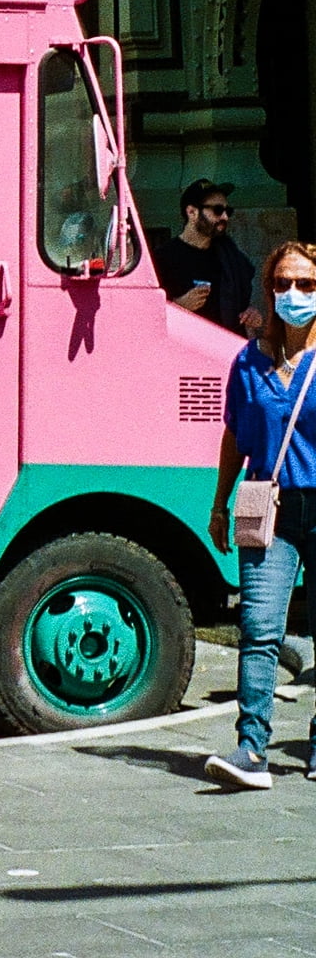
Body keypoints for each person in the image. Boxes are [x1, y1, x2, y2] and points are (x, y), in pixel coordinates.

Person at [204, 240, 316, 789]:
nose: (293, 294)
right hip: (267, 506)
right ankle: (252, 749)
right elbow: (234, 437)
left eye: (307, 284)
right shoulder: (249, 361)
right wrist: (219, 504)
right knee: (259, 627)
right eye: (283, 284)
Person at [153, 179, 260, 336]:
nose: (225, 217)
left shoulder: (229, 256)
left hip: (226, 347)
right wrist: (178, 306)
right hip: (186, 348)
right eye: (217, 210)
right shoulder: (162, 258)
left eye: (227, 211)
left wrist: (250, 313)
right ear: (192, 212)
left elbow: (240, 302)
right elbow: (148, 315)